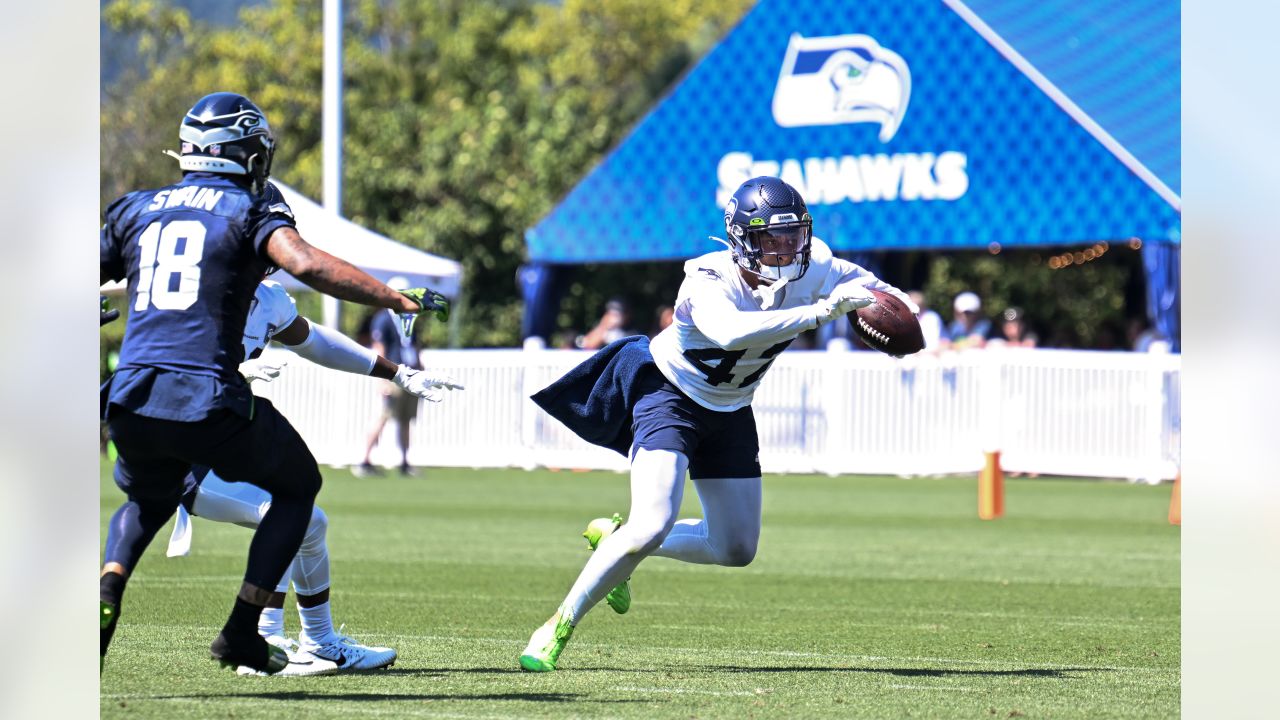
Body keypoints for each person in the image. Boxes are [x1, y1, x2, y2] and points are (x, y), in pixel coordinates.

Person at [99, 92, 445, 675]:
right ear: (241, 151)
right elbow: (306, 263)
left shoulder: (136, 207)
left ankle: (108, 590)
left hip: (129, 396)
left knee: (145, 499)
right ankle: (246, 631)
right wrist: (392, 294)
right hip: (203, 397)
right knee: (298, 486)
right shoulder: (248, 206)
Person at [517, 176, 914, 672]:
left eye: (794, 235)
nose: (788, 247)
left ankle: (619, 543)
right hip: (667, 396)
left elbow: (878, 289)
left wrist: (902, 312)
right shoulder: (706, 278)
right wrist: (819, 312)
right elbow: (730, 333)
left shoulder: (818, 265)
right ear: (742, 238)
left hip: (730, 409)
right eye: (773, 238)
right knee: (652, 522)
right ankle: (558, 623)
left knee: (735, 547)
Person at [163, 278, 461, 676]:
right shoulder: (198, 288)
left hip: (218, 449)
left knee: (309, 521)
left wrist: (398, 373)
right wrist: (236, 375)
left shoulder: (267, 297)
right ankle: (265, 642)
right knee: (285, 513)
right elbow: (166, 365)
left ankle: (317, 644)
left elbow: (316, 341)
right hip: (181, 453)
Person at [356, 276, 430, 476]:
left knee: (406, 419)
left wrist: (421, 373)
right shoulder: (383, 319)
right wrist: (382, 378)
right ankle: (364, 460)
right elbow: (378, 348)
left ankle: (405, 462)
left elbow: (414, 347)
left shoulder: (409, 319)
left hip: (410, 374)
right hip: (393, 374)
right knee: (383, 416)